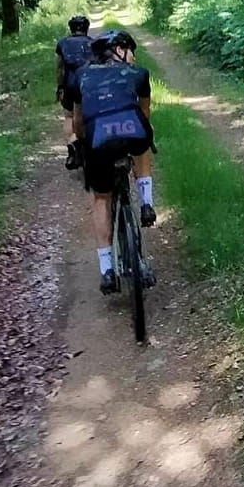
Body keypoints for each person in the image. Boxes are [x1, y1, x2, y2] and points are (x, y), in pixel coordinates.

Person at [79, 30, 156, 294]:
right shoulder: (139, 74)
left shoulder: (82, 77)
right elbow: (145, 113)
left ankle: (107, 270)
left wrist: (82, 145)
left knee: (102, 198)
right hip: (133, 132)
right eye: (131, 50)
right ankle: (146, 203)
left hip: (98, 139)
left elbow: (78, 121)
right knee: (143, 144)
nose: (134, 56)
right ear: (120, 50)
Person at [55, 15, 93, 170]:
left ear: (71, 29)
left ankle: (72, 147)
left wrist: (60, 87)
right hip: (89, 84)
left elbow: (60, 68)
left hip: (70, 84)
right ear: (87, 29)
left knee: (69, 116)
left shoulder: (62, 43)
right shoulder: (94, 43)